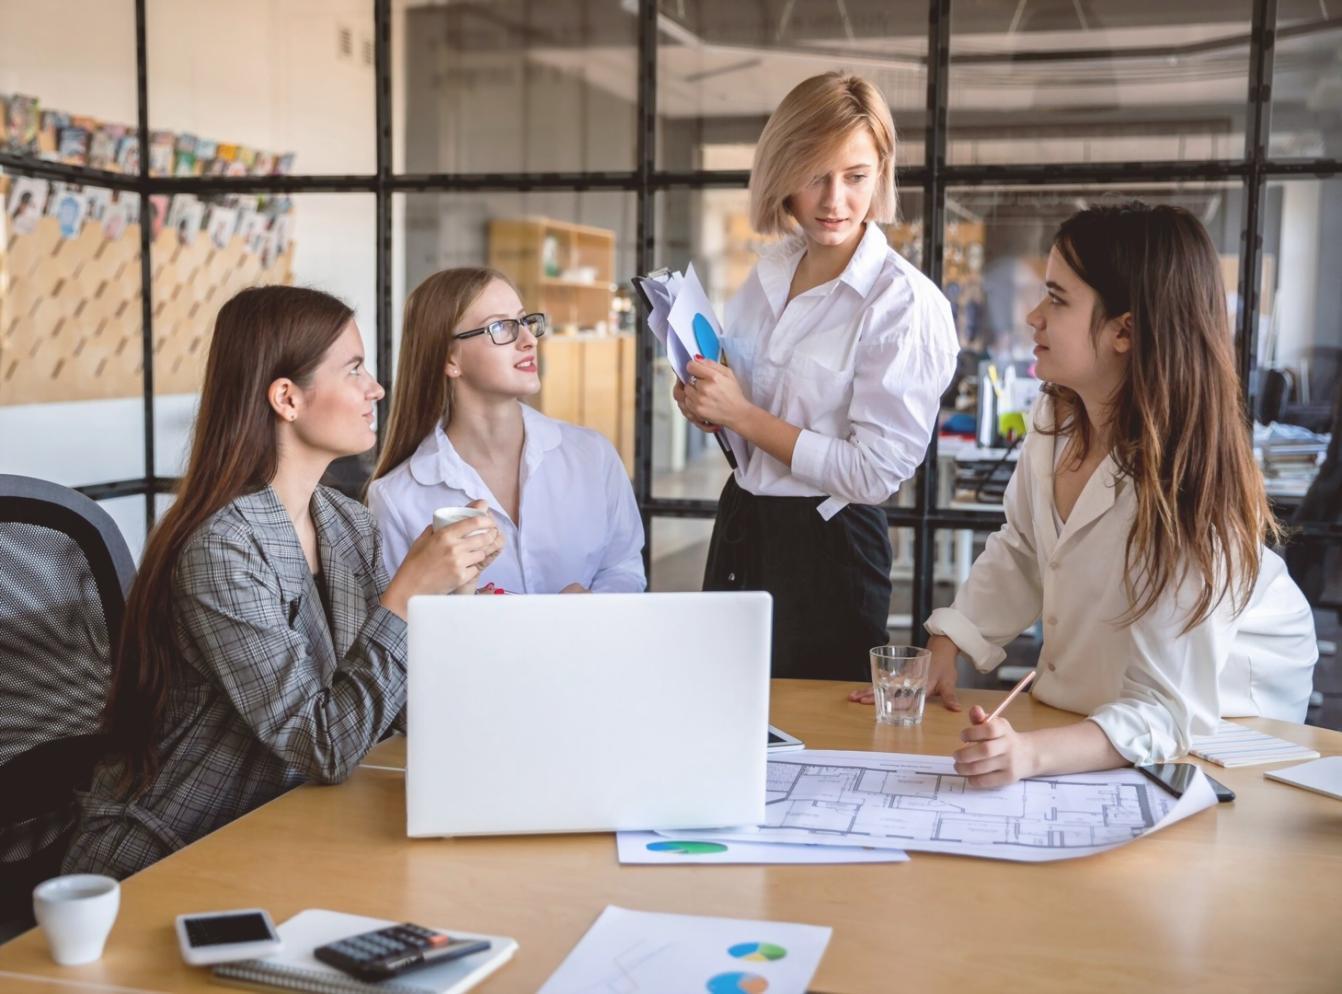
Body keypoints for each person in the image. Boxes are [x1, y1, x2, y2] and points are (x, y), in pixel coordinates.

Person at [853, 202, 1318, 786]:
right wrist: (947, 643)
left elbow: (1171, 710)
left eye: (1057, 299)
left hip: (1229, 707)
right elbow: (1025, 546)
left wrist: (1031, 755)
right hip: (1111, 696)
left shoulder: (1187, 485)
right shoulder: (1058, 413)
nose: (1032, 316)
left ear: (1125, 329)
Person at [64, 286, 503, 879]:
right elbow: (324, 745)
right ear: (287, 399)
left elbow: (387, 714)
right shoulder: (222, 548)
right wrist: (405, 596)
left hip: (283, 824)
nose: (376, 388)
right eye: (354, 370)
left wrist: (453, 593)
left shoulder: (345, 522)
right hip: (176, 851)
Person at [676, 72, 958, 679]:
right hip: (743, 522)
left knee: (820, 742)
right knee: (720, 711)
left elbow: (875, 472)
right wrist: (711, 407)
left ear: (880, 172)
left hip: (829, 547)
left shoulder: (902, 304)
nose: (835, 201)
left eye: (855, 177)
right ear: (783, 175)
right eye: (814, 176)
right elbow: (751, 424)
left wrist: (743, 415)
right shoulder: (767, 277)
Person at [368, 267, 645, 594]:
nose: (529, 340)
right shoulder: (396, 498)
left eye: (525, 322)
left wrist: (588, 606)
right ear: (450, 359)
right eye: (501, 327)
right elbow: (400, 627)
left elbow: (623, 567)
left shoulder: (593, 455)